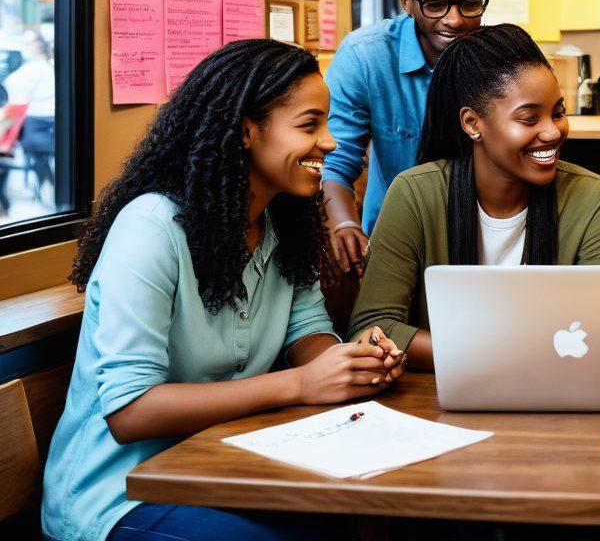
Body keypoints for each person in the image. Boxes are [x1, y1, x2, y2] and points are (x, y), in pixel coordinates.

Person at [42, 40, 404, 541]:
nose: (332, 142)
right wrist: (301, 385)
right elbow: (130, 411)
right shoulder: (151, 228)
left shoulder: (283, 222)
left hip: (230, 469)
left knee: (365, 517)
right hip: (120, 497)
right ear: (245, 131)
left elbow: (308, 331)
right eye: (309, 125)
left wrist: (349, 362)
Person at [347, 24, 600, 369]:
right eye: (528, 118)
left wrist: (481, 352)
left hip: (557, 391)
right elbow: (371, 328)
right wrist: (500, 354)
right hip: (438, 399)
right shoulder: (415, 194)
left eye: (558, 112)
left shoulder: (590, 197)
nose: (553, 132)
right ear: (472, 123)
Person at [322, 0, 488, 277]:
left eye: (470, 3)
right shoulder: (366, 57)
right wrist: (343, 225)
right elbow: (336, 161)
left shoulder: (500, 59)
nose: (455, 20)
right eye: (434, 4)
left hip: (482, 243)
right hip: (392, 245)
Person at [3, 31, 55, 202]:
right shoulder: (41, 66)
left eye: (31, 42)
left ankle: (45, 183)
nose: (28, 46)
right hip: (40, 122)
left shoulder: (37, 67)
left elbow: (15, 92)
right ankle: (45, 182)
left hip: (37, 122)